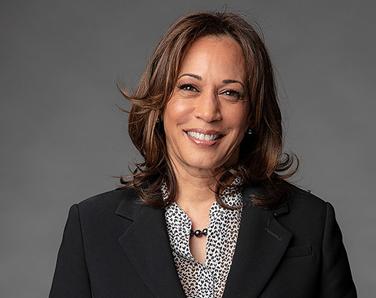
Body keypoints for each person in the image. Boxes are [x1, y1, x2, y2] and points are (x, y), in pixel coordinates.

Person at [49, 11, 357, 298]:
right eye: (188, 87)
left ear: (252, 114)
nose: (209, 112)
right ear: (159, 103)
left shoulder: (312, 223)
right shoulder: (91, 227)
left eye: (230, 92)